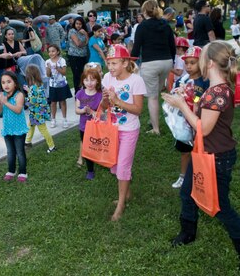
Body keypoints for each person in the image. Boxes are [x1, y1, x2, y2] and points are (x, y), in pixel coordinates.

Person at [161, 41, 240, 267]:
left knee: (221, 206)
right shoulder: (212, 89)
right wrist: (187, 98)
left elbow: (203, 128)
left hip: (217, 157)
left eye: (202, 56)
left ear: (211, 63)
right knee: (188, 194)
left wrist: (181, 105)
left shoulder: (218, 92)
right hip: (204, 152)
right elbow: (200, 107)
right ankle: (188, 233)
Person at [101, 44, 146, 221]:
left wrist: (117, 101)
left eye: (114, 63)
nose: (110, 68)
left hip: (128, 130)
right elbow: (104, 107)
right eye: (109, 63)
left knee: (123, 167)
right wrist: (105, 100)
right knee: (115, 166)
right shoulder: (107, 78)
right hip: (112, 129)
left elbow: (138, 110)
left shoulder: (136, 81)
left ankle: (121, 205)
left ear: (126, 63)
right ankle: (127, 193)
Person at [131, 0, 176, 135]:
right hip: (166, 62)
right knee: (156, 92)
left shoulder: (142, 26)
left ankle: (155, 128)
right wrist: (171, 61)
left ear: (145, 11)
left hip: (151, 63)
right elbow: (172, 46)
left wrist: (131, 62)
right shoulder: (165, 24)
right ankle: (153, 119)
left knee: (152, 97)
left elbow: (136, 49)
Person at [169, 46, 209, 189]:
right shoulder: (183, 79)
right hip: (183, 122)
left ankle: (200, 175)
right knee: (185, 151)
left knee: (200, 150)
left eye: (193, 62)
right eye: (187, 63)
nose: (189, 66)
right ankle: (183, 176)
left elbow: (203, 100)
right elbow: (175, 95)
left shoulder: (205, 81)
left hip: (199, 121)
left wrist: (194, 100)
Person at [0, 71, 29, 182]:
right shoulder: (2, 95)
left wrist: (5, 103)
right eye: (3, 82)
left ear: (15, 83)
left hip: (19, 129)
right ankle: (11, 170)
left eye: (9, 82)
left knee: (20, 152)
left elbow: (18, 110)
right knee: (10, 151)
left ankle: (23, 172)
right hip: (7, 129)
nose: (6, 85)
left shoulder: (19, 95)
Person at [75, 65, 103, 180]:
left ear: (97, 81)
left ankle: (103, 161)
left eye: (92, 79)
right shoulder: (80, 94)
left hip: (98, 127)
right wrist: (82, 110)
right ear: (83, 81)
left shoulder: (100, 94)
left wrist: (92, 111)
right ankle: (90, 170)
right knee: (87, 148)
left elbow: (102, 113)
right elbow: (77, 110)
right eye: (86, 80)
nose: (89, 83)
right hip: (84, 127)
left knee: (99, 146)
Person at [23, 64, 56, 153]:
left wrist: (24, 99)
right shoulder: (38, 85)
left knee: (43, 130)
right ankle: (28, 141)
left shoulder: (33, 88)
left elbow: (32, 101)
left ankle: (52, 146)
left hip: (37, 114)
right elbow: (36, 97)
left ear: (29, 76)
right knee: (30, 126)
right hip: (37, 112)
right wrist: (28, 90)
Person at [46, 44, 73, 128]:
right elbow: (48, 75)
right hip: (53, 85)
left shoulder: (62, 60)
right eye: (49, 51)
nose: (51, 53)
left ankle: (64, 119)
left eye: (53, 51)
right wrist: (49, 68)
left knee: (62, 102)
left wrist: (57, 68)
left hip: (62, 84)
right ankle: (53, 119)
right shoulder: (47, 62)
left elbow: (64, 72)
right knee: (53, 102)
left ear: (57, 52)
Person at [68, 16, 89, 94]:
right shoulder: (72, 31)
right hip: (74, 56)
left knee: (83, 75)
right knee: (77, 75)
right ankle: (77, 94)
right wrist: (84, 42)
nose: (78, 25)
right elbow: (78, 44)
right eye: (77, 23)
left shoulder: (84, 32)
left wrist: (86, 34)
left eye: (80, 24)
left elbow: (87, 42)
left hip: (83, 56)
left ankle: (83, 92)